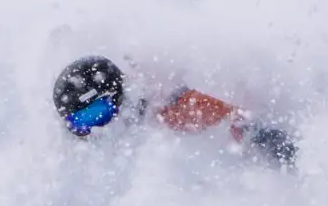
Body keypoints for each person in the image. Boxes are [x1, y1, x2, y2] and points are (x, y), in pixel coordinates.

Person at [52, 55, 298, 168]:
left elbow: (233, 119)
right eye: (80, 121)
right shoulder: (86, 140)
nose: (93, 128)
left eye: (98, 113)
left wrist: (258, 136)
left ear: (118, 98)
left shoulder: (169, 109)